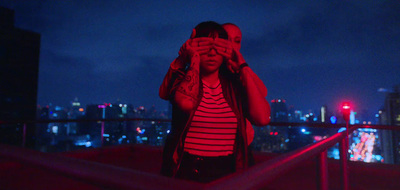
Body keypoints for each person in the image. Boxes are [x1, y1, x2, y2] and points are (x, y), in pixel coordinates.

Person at [159, 21, 270, 183]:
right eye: (206, 45)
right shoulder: (183, 78)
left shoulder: (234, 83)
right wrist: (192, 59)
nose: (212, 52)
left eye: (220, 46)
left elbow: (262, 118)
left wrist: (242, 65)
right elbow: (184, 102)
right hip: (187, 169)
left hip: (229, 170)